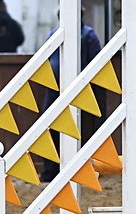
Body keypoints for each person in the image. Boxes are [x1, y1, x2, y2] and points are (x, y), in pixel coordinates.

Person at [39, 12, 103, 182]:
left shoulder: (55, 34)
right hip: (69, 86)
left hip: (63, 86)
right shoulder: (88, 35)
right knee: (64, 127)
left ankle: (54, 169)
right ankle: (61, 168)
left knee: (53, 127)